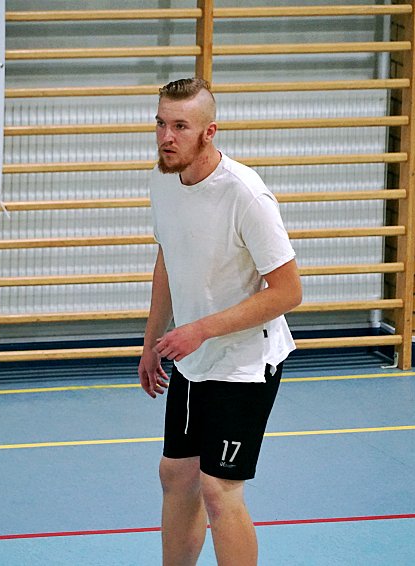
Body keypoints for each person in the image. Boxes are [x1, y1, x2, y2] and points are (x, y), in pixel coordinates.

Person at [138, 77, 302, 566]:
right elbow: (168, 258)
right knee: (176, 474)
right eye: (161, 124)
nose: (167, 137)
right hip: (192, 359)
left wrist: (199, 329)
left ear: (209, 132)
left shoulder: (246, 195)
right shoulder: (163, 180)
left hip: (244, 363)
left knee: (219, 488)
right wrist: (151, 342)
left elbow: (288, 292)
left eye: (180, 127)